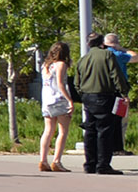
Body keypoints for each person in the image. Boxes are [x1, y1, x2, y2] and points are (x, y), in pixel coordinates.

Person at [73, 33, 124, 175]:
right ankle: (103, 165)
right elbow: (116, 75)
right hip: (104, 96)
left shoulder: (83, 59)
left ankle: (90, 164)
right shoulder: (107, 55)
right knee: (105, 131)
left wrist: (82, 94)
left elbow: (76, 82)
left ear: (88, 44)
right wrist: (124, 92)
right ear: (102, 43)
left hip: (88, 97)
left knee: (90, 130)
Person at [37, 41, 73, 173]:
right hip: (59, 99)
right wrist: (70, 100)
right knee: (62, 131)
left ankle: (43, 159)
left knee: (48, 130)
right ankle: (57, 161)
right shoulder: (61, 64)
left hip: (47, 99)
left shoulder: (46, 65)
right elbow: (60, 84)